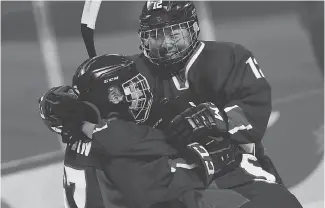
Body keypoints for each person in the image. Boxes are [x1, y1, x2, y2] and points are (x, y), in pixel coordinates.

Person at [123, 1, 303, 207]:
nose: (165, 44)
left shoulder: (230, 57)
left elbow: (255, 105)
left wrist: (217, 118)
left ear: (192, 28)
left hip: (234, 168)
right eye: (156, 35)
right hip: (173, 178)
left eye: (174, 34)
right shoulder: (132, 73)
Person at [39, 54, 249, 208]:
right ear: (113, 95)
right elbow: (157, 181)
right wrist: (203, 162)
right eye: (131, 86)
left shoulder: (95, 135)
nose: (141, 90)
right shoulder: (114, 139)